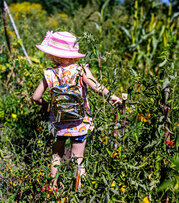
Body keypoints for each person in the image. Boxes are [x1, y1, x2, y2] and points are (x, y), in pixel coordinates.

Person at [32, 31, 122, 192]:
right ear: (73, 54)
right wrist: (111, 97)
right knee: (77, 158)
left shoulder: (49, 73)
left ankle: (53, 187)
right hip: (79, 122)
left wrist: (48, 107)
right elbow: (97, 87)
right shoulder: (81, 70)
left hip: (58, 123)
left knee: (56, 156)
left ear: (53, 54)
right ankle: (79, 191)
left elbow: (36, 97)